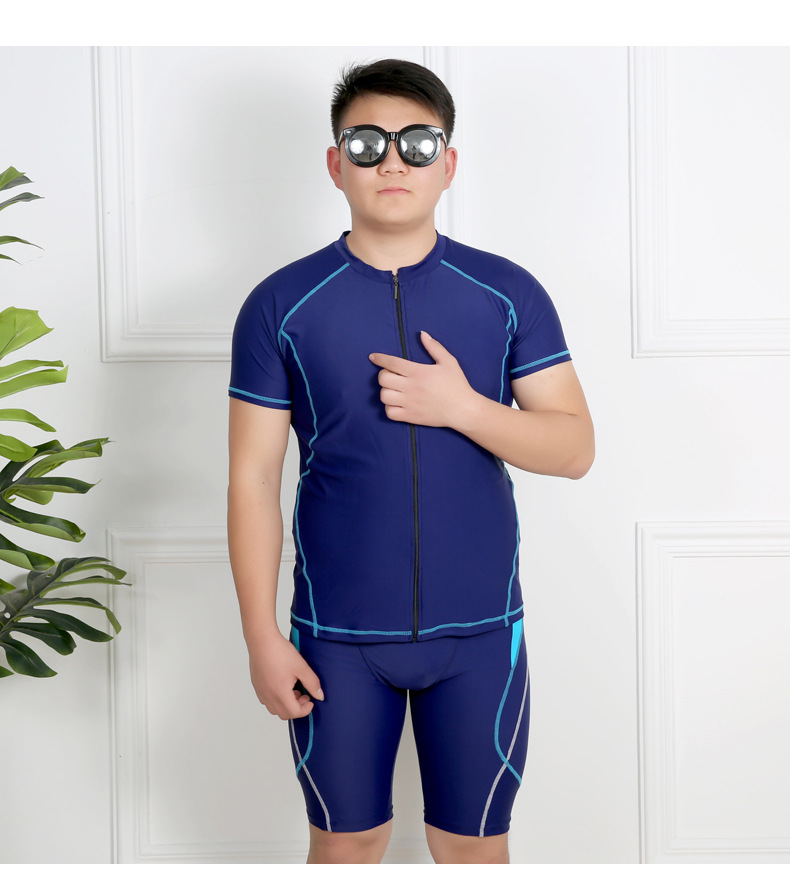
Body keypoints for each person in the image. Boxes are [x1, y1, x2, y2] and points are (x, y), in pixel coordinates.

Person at [227, 58, 594, 865]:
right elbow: (252, 480)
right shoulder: (281, 304)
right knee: (348, 843)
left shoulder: (507, 293)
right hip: (334, 640)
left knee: (471, 849)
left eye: (416, 143)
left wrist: (463, 407)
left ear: (447, 163)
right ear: (336, 164)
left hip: (481, 639)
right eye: (366, 143)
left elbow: (574, 449)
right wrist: (260, 636)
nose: (391, 161)